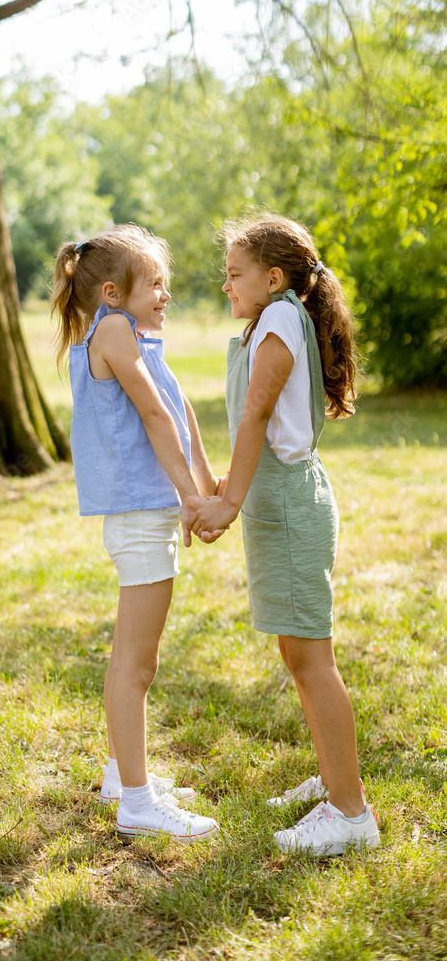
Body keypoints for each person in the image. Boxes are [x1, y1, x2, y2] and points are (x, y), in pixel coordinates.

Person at [186, 214, 381, 856]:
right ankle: (333, 778)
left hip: (290, 508)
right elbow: (257, 425)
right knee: (296, 653)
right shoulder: (274, 318)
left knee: (312, 659)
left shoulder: (276, 321)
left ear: (273, 277)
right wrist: (223, 485)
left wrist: (229, 502)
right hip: (277, 503)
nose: (225, 285)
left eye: (234, 273)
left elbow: (258, 416)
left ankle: (351, 813)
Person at [51, 224, 221, 842]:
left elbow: (178, 410)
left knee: (133, 657)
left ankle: (123, 777)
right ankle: (138, 803)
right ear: (112, 293)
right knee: (135, 665)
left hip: (147, 510)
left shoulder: (137, 335)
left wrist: (205, 483)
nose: (166, 295)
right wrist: (190, 497)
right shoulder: (115, 330)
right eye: (156, 284)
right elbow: (151, 414)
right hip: (138, 511)